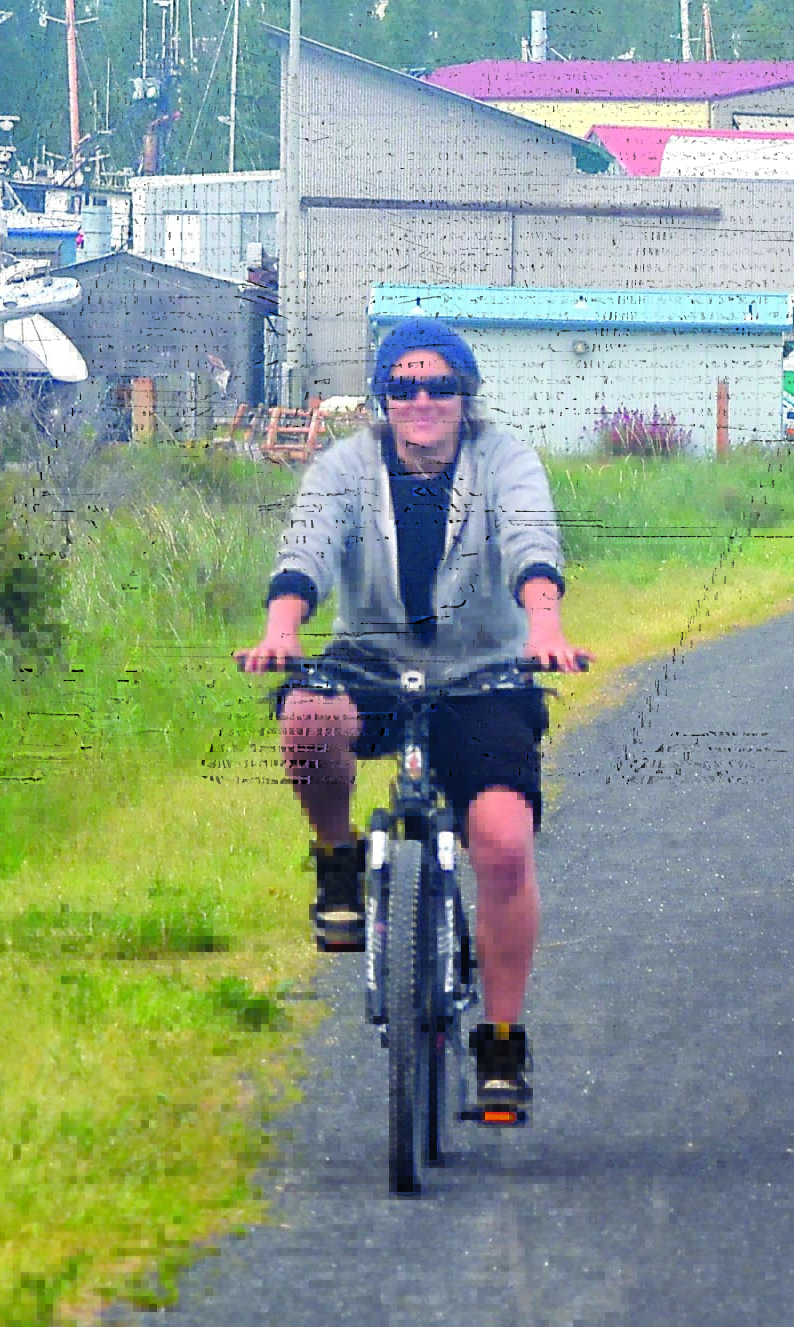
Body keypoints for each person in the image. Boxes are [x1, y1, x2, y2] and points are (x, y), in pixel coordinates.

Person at [239, 320, 590, 1119]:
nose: (422, 400)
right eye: (404, 386)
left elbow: (531, 538)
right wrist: (283, 626)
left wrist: (543, 626)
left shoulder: (505, 460)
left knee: (501, 841)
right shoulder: (345, 466)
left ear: (467, 398)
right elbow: (307, 546)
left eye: (439, 386)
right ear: (382, 398)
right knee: (305, 719)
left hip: (483, 669)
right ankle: (337, 860)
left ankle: (499, 1043)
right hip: (370, 656)